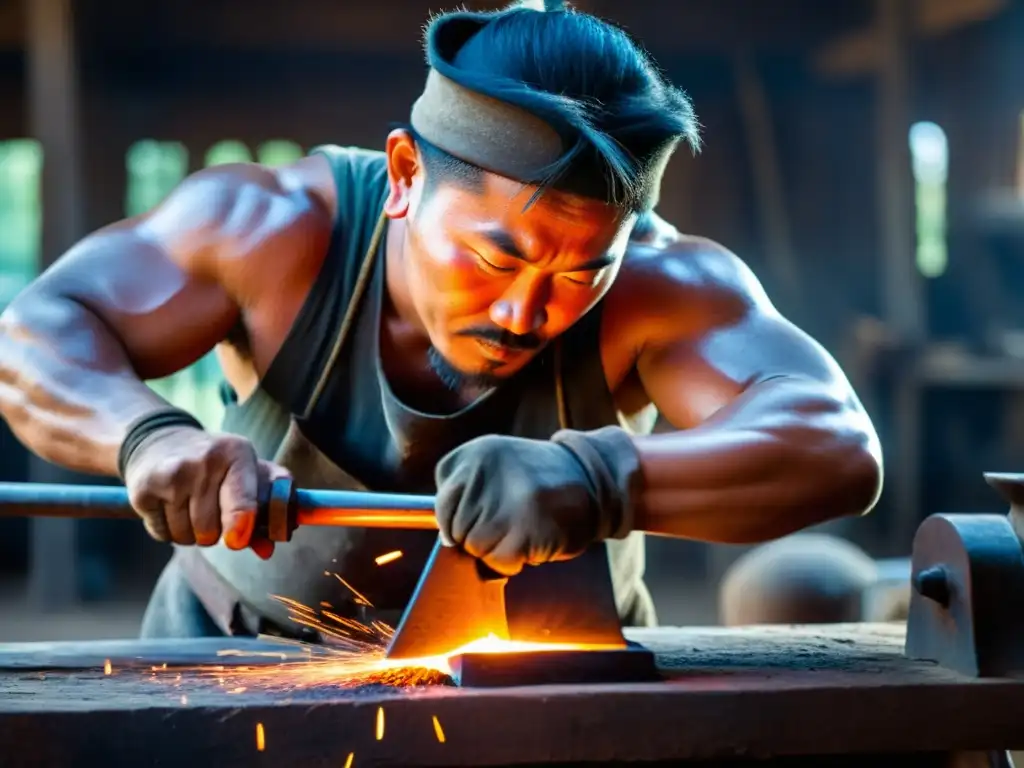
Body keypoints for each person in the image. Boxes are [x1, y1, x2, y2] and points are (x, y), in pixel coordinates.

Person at [0, 2, 882, 640]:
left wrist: (601, 480)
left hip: (545, 683)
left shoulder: (661, 283)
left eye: (582, 271)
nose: (524, 310)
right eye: (496, 257)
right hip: (232, 643)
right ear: (404, 173)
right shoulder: (273, 231)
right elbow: (35, 330)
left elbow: (839, 448)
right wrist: (146, 436)